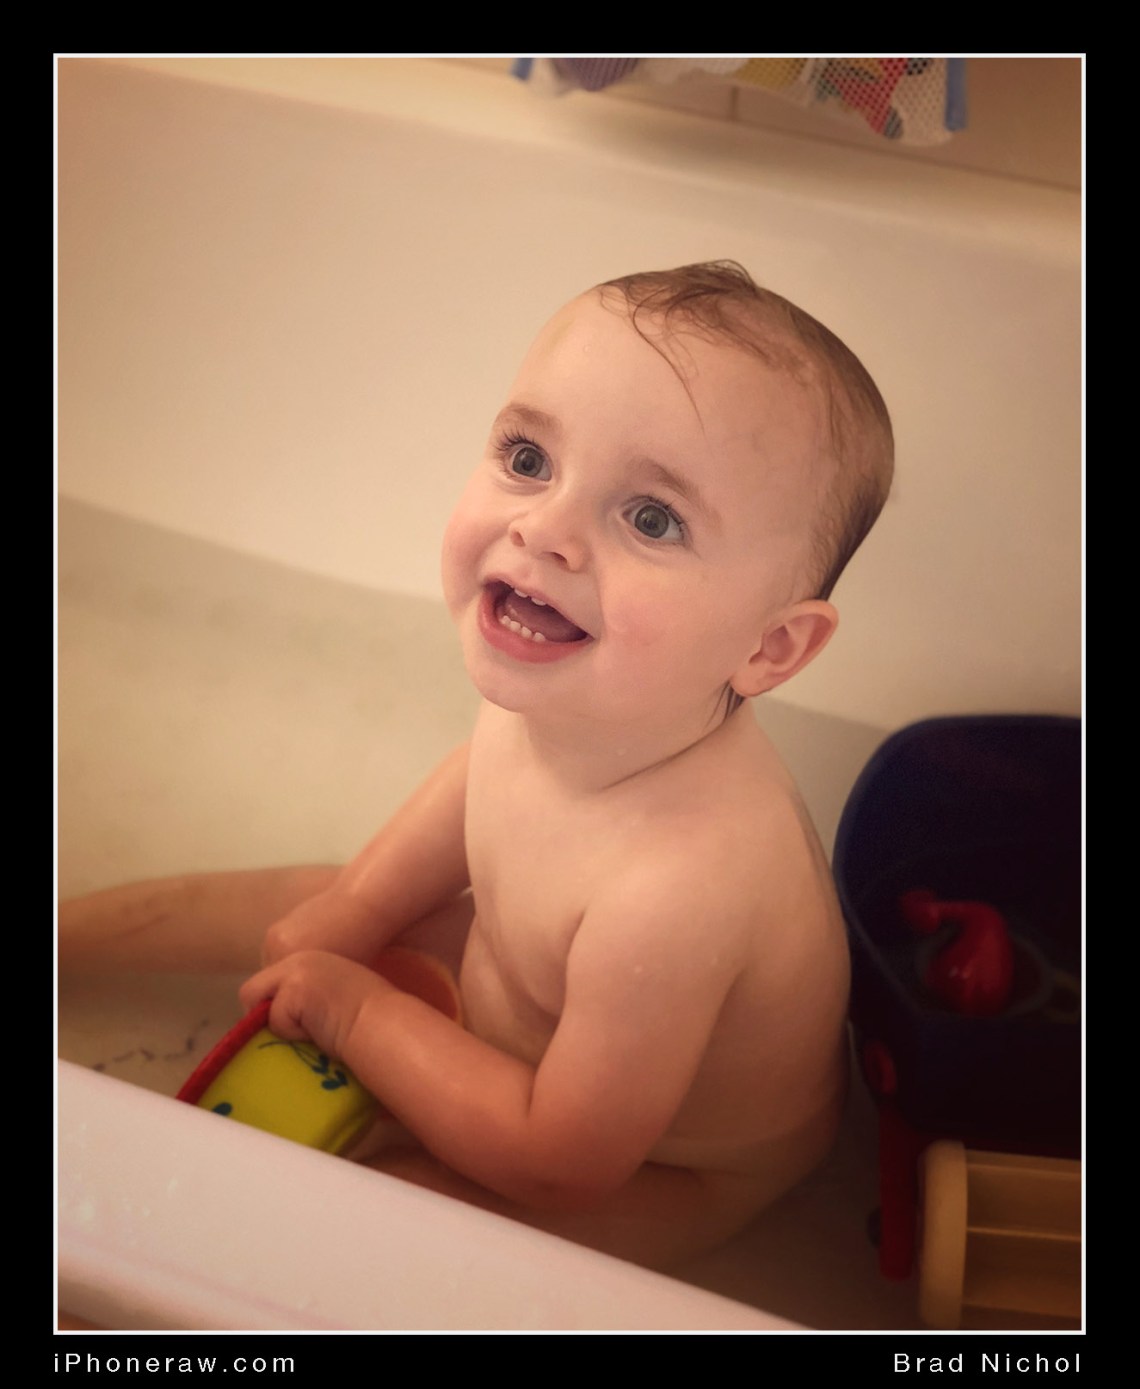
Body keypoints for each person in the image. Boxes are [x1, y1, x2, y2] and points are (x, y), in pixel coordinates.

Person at [61, 261, 893, 1270]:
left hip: (665, 1170)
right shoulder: (577, 683)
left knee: (379, 1224)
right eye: (529, 458)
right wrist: (358, 908)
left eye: (651, 518)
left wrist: (356, 1013)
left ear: (770, 647)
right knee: (307, 899)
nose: (542, 529)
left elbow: (561, 1161)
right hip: (517, 980)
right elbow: (478, 779)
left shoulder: (680, 889)